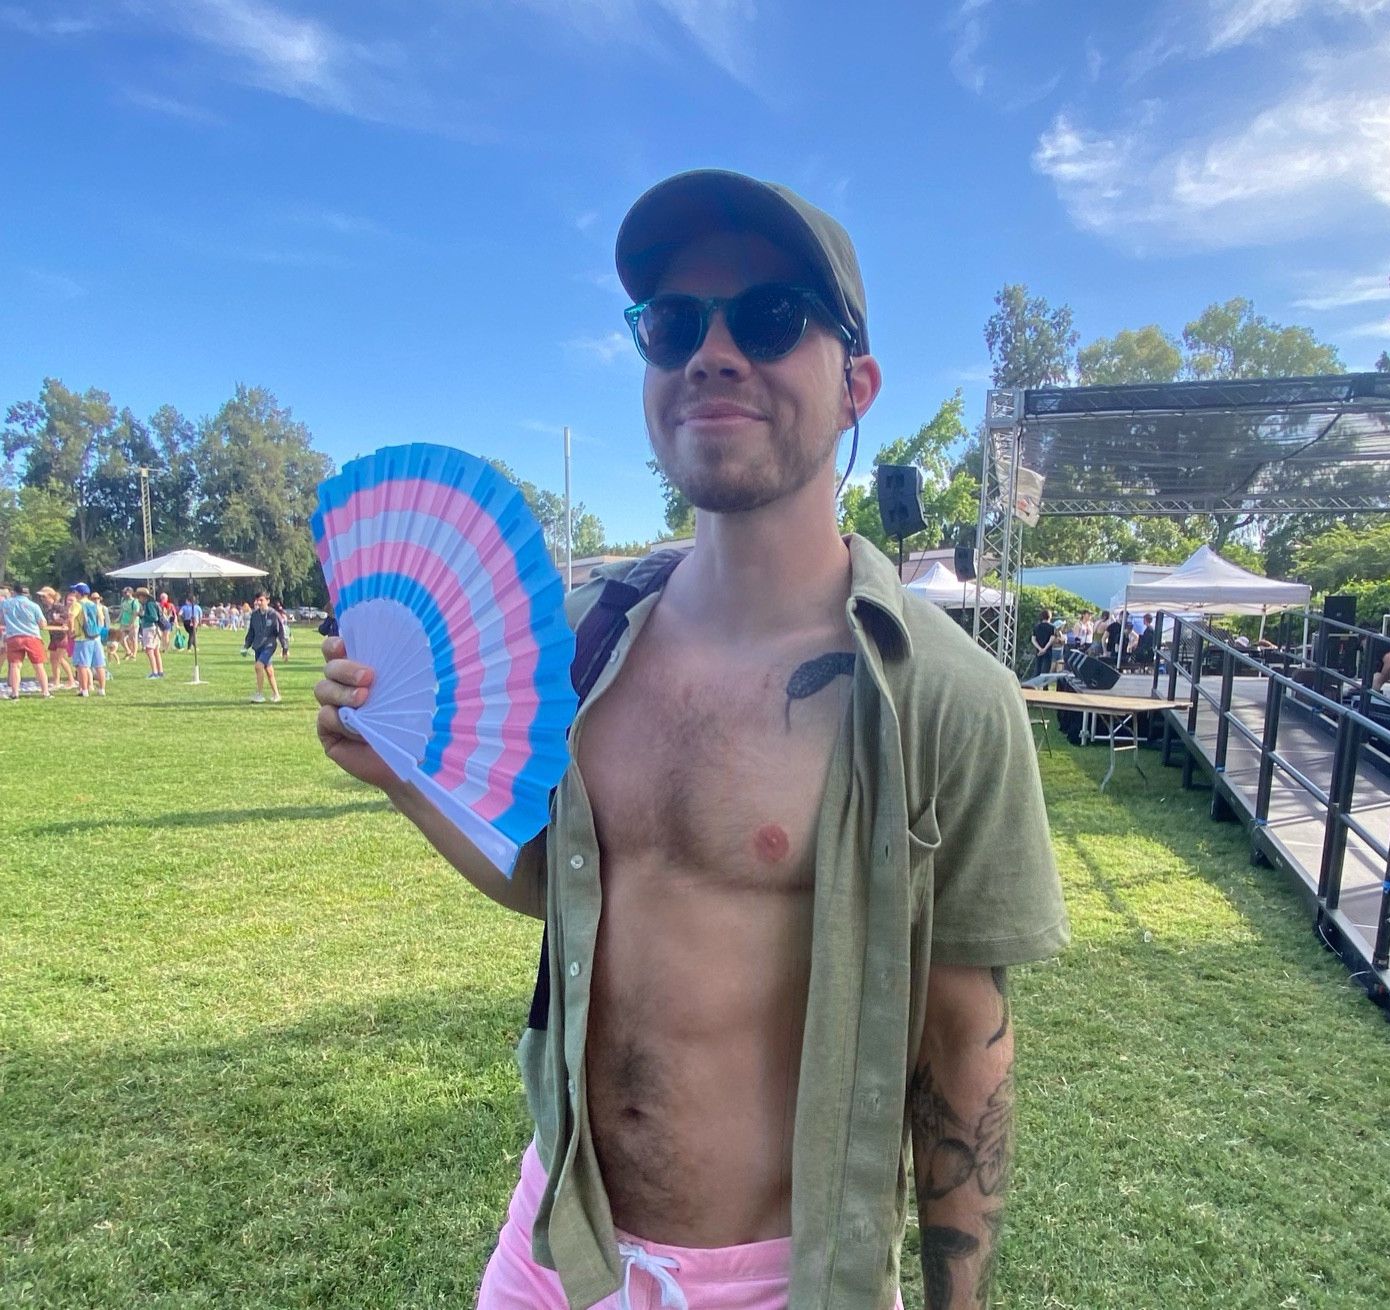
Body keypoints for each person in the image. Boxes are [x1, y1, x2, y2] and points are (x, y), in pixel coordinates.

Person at [317, 169, 1068, 1310]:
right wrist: (403, 780)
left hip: (775, 1279)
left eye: (768, 317)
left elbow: (965, 1036)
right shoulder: (586, 640)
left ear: (857, 383)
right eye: (673, 324)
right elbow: (557, 883)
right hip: (555, 1239)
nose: (712, 353)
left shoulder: (946, 699)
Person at [1, 583, 53, 700]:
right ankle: (45, 692)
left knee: (15, 666)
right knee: (38, 665)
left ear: (14, 592)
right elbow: (42, 624)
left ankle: (15, 693)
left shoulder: (5, 604)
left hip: (13, 637)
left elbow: (2, 620)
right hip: (32, 637)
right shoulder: (34, 606)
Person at [244, 591, 284, 703]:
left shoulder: (273, 614)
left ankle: (259, 694)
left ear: (268, 601)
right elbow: (251, 632)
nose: (259, 602)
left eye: (261, 600)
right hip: (258, 646)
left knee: (258, 667)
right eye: (258, 600)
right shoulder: (255, 615)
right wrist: (246, 645)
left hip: (269, 645)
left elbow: (280, 632)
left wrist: (285, 648)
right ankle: (276, 694)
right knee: (269, 670)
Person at [68, 583, 106, 697]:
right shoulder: (95, 605)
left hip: (82, 638)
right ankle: (102, 689)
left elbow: (71, 617)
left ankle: (84, 690)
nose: (74, 594)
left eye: (75, 592)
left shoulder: (77, 604)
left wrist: (72, 631)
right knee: (99, 665)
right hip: (95, 637)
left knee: (82, 665)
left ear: (79, 593)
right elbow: (101, 619)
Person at [138, 589, 166, 678]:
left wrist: (143, 615)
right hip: (155, 628)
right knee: (156, 650)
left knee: (149, 650)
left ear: (143, 596)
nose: (139, 599)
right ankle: (160, 671)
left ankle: (154, 672)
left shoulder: (149, 604)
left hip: (150, 628)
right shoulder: (152, 603)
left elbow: (154, 617)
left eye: (139, 596)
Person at [1030, 607, 1056, 680]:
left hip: (1038, 651)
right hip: (1048, 652)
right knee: (1046, 671)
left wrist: (1039, 648)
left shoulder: (1037, 627)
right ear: (1049, 617)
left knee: (1037, 670)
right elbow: (1051, 639)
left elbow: (1033, 639)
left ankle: (1034, 686)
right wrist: (1044, 649)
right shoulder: (1052, 627)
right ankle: (1045, 687)